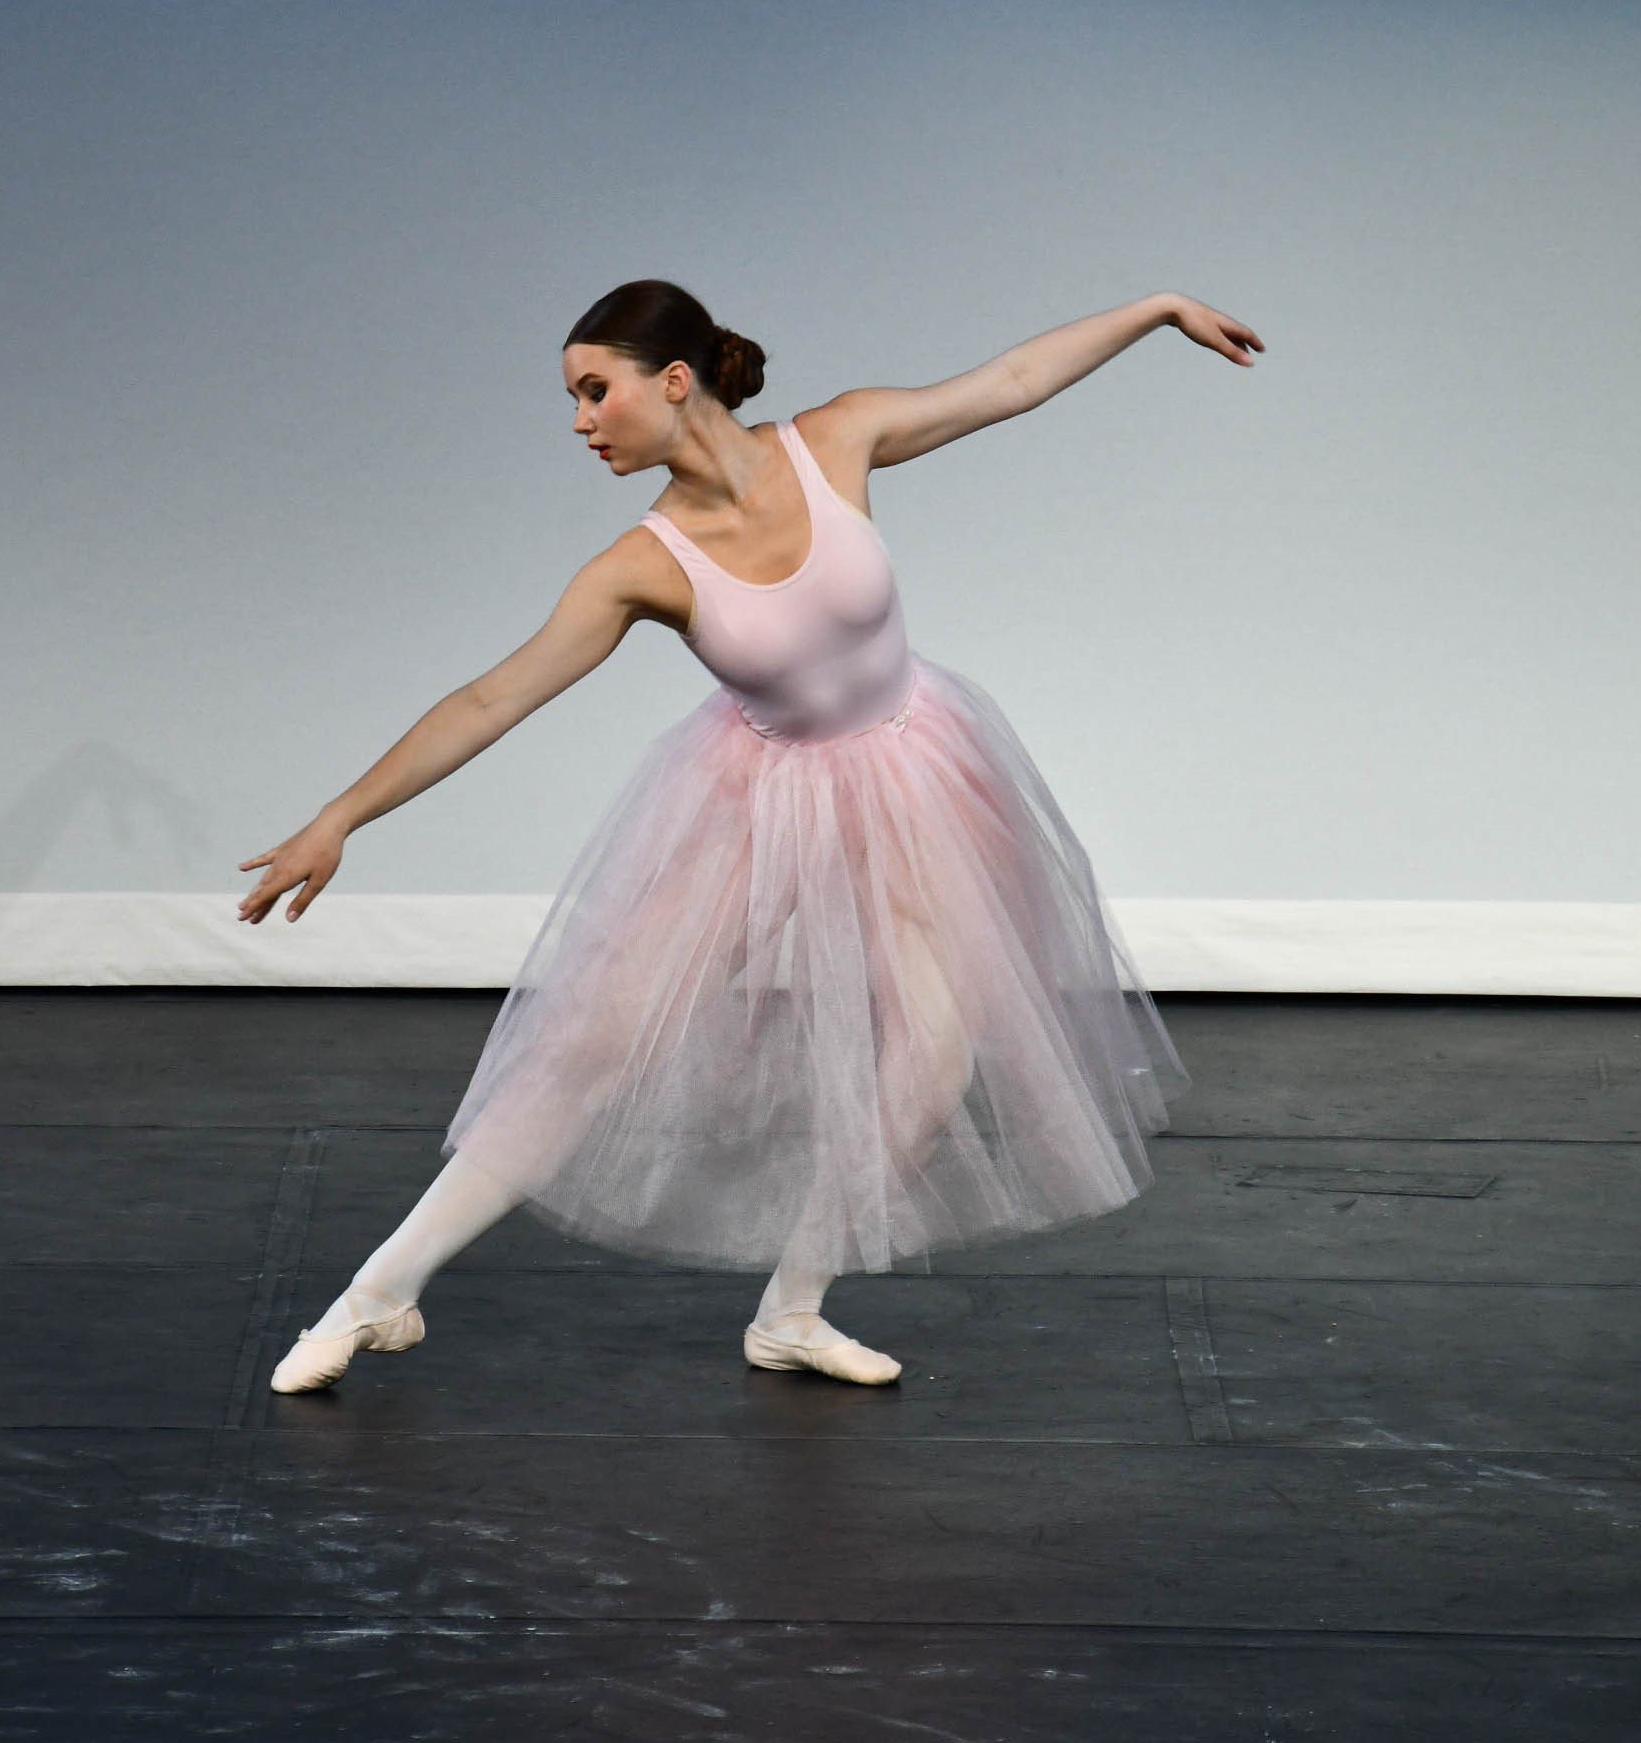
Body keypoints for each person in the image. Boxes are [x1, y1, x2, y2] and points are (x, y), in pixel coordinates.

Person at [241, 279, 1261, 1391]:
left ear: (674, 382)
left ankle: (791, 1309)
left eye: (594, 392)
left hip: (915, 772)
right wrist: (340, 817)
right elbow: (491, 699)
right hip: (756, 797)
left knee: (933, 1058)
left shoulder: (837, 442)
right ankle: (377, 1293)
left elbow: (1011, 381)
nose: (579, 421)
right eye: (574, 399)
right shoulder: (641, 565)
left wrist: (1154, 310)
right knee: (595, 1037)